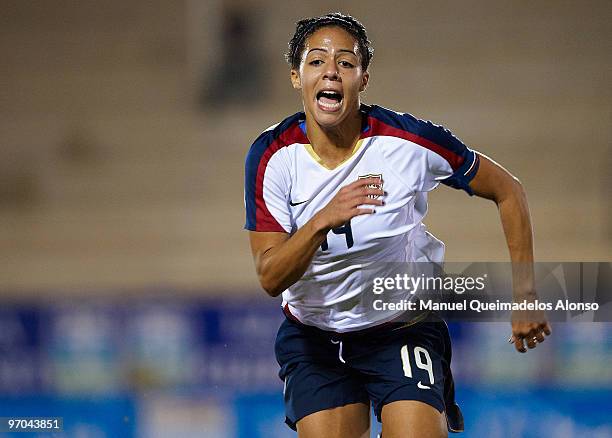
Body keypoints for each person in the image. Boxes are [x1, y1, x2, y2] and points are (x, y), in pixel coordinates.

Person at [244, 12, 551, 438]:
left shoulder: (407, 143)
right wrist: (321, 221)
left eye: (346, 63)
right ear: (296, 76)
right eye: (316, 61)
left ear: (363, 79)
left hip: (400, 327)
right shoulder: (273, 157)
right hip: (315, 339)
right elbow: (270, 275)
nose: (330, 70)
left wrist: (526, 295)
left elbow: (509, 191)